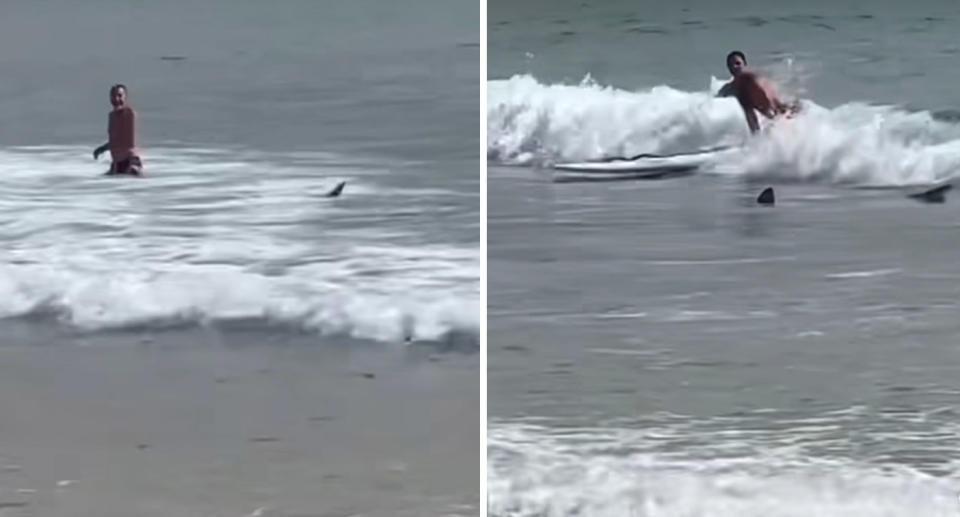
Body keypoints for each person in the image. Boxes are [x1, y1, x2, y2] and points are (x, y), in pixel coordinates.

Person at [717, 51, 798, 134]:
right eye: (731, 65)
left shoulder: (753, 78)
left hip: (781, 108)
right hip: (770, 113)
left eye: (738, 63)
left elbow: (771, 100)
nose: (734, 67)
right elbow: (750, 115)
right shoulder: (733, 88)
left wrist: (776, 116)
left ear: (744, 64)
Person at [93, 84, 143, 175]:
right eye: (113, 96)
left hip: (130, 161)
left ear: (125, 97)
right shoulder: (111, 116)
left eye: (119, 96)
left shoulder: (130, 114)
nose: (116, 99)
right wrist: (102, 149)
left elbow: (128, 142)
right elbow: (115, 140)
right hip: (117, 163)